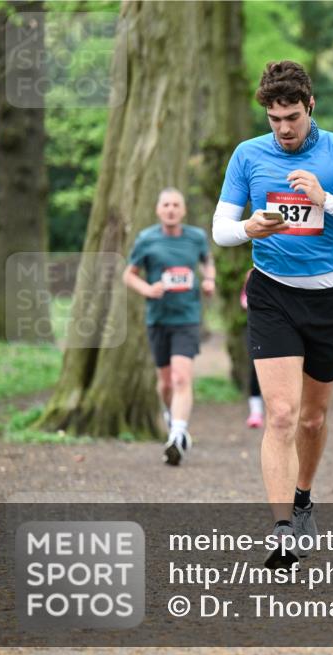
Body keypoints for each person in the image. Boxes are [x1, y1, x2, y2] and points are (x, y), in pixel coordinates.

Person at [212, 61, 333, 568]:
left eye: (292, 117)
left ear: (310, 106)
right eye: (274, 119)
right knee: (281, 414)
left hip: (329, 301)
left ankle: (303, 499)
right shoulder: (248, 155)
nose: (284, 129)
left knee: (312, 420)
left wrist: (327, 200)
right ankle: (282, 530)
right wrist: (249, 228)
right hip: (272, 294)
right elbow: (221, 229)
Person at [123, 187, 215, 465]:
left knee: (181, 378)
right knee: (165, 384)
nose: (171, 209)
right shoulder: (146, 239)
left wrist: (209, 280)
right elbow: (129, 275)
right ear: (158, 210)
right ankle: (171, 416)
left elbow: (207, 262)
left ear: (183, 210)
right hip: (159, 318)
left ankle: (177, 435)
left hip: (187, 317)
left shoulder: (196, 237)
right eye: (166, 205)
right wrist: (147, 289)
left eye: (176, 205)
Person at [240, 268, 264, 428]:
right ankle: (256, 411)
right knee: (254, 369)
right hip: (257, 332)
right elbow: (245, 301)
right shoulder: (251, 276)